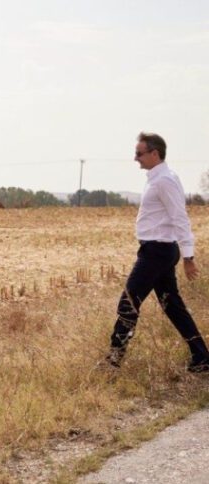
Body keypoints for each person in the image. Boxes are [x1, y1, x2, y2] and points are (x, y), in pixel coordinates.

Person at [106, 132, 208, 372]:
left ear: (155, 153)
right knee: (172, 304)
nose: (135, 158)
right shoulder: (157, 178)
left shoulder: (165, 180)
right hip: (157, 249)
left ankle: (113, 361)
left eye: (139, 153)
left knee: (128, 303)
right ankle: (202, 357)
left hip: (157, 251)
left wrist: (189, 257)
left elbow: (180, 218)